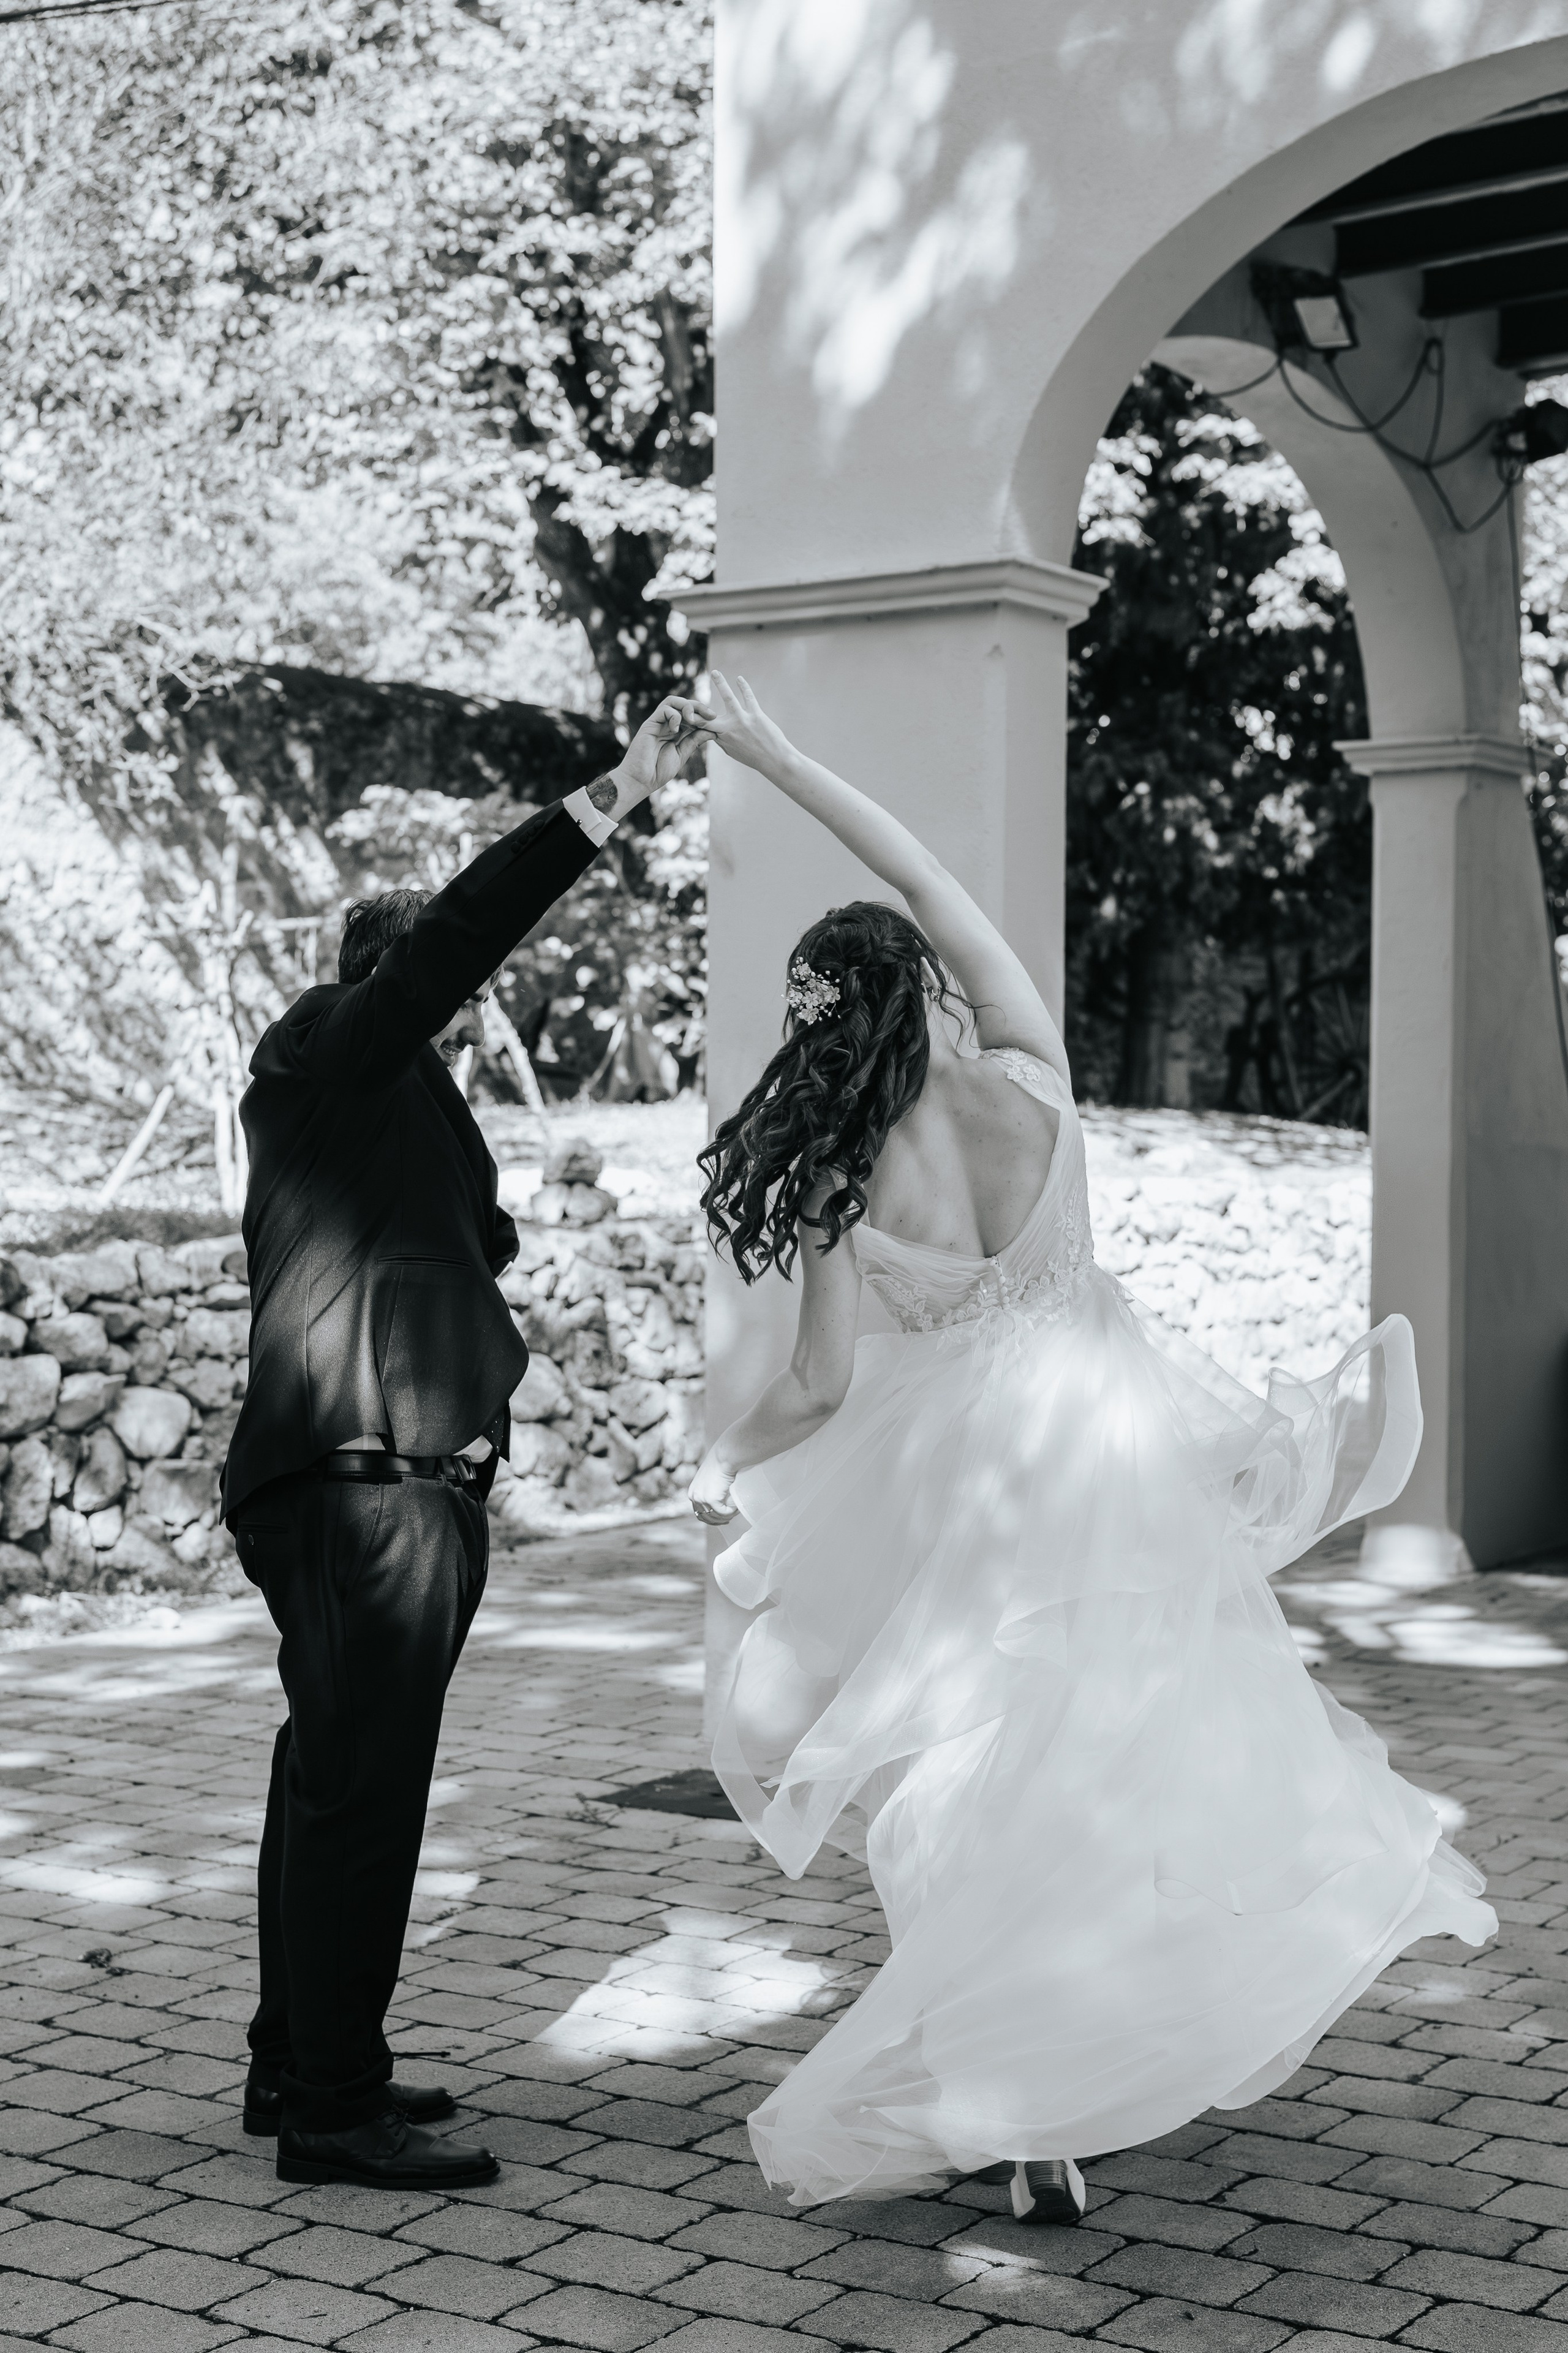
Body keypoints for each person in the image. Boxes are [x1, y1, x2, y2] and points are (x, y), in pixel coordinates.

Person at [689, 672, 1496, 2222]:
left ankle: (1017, 2102)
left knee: (951, 1778)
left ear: (819, 1030)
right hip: (1113, 1455)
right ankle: (1061, 2072)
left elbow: (811, 1385)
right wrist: (787, 758)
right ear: (921, 991)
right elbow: (923, 878)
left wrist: (728, 1457)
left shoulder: (839, 1184)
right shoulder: (1032, 1082)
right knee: (1113, 1751)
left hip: (966, 1493)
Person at [224, 693, 709, 2191]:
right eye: (418, 993)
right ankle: (334, 2109)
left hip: (381, 1478)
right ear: (382, 987)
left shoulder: (375, 1116)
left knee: (329, 1770)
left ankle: (298, 2060)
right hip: (366, 1490)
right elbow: (449, 951)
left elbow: (470, 1226)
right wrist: (610, 798)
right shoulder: (328, 1050)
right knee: (363, 1787)